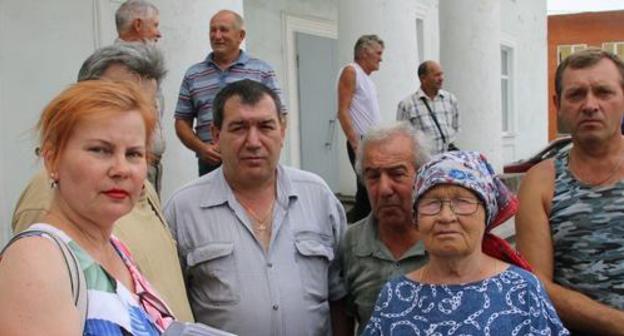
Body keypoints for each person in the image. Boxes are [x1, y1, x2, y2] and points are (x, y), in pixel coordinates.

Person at [11, 43, 194, 322]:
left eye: (134, 153)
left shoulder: (117, 247)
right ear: (52, 159)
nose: (121, 169)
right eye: (100, 150)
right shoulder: (38, 257)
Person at [165, 79, 347, 336]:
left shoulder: (319, 197)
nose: (253, 141)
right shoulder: (183, 210)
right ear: (216, 135)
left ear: (282, 132)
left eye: (265, 127)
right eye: (239, 128)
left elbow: (339, 297)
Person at [362, 151, 569, 335]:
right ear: (416, 218)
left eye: (461, 201)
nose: (446, 216)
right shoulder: (396, 296)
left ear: (486, 214)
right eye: (432, 203)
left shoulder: (522, 289)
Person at [516, 48, 624, 334]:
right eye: (576, 94)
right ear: (558, 104)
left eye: (603, 92)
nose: (590, 105)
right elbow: (535, 284)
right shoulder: (540, 182)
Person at [338, 121, 430, 334]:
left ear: (422, 175)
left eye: (397, 174)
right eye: (373, 176)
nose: (384, 189)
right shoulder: (350, 243)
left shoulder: (445, 237)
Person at [174, 9, 285, 176]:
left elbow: (281, 116)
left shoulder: (262, 71)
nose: (217, 36)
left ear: (241, 36)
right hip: (209, 164)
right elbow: (182, 121)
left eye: (223, 30)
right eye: (213, 30)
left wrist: (271, 146)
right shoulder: (193, 74)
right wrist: (201, 148)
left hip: (251, 159)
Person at [116, 0, 166, 192]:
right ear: (137, 25)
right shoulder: (114, 66)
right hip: (130, 165)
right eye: (155, 25)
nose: (159, 33)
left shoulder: (145, 63)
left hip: (146, 164)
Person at [337, 34, 384, 223]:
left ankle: (361, 227)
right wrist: (356, 143)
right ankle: (356, 230)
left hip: (372, 140)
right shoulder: (351, 71)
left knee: (368, 188)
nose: (381, 58)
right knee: (367, 187)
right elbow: (343, 110)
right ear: (365, 52)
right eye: (378, 53)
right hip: (361, 141)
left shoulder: (367, 79)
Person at [397, 60, 460, 154]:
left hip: (447, 160)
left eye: (442, 74)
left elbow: (456, 128)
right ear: (423, 78)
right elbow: (402, 138)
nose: (441, 78)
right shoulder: (407, 105)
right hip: (424, 163)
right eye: (437, 75)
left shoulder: (451, 99)